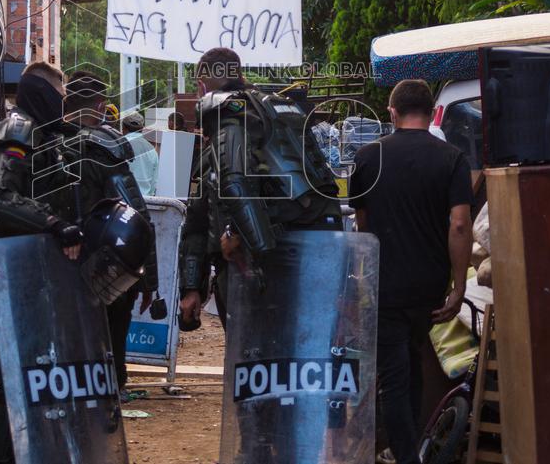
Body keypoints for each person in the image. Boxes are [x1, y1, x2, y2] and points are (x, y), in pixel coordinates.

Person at [348, 78, 473, 464]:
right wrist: (458, 285)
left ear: (392, 112)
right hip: (430, 287)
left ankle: (406, 457)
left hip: (385, 284)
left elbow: (362, 224)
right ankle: (411, 450)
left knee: (396, 378)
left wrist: (363, 276)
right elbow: (459, 224)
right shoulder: (452, 158)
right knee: (413, 360)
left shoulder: (368, 157)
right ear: (430, 110)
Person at [178, 47, 341, 330]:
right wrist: (193, 285)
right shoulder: (282, 111)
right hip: (311, 252)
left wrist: (244, 244)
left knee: (254, 357)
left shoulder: (228, 113)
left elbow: (233, 185)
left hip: (253, 268)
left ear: (203, 84)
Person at [0, 61, 82, 464]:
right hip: (16, 264)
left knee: (38, 366)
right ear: (43, 93)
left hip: (35, 264)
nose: (63, 103)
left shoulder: (41, 133)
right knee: (17, 370)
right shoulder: (18, 130)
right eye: (60, 94)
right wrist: (54, 223)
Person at [62, 71, 158, 397]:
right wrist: (148, 280)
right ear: (101, 105)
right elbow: (136, 214)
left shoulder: (41, 141)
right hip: (106, 263)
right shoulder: (103, 146)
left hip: (58, 261)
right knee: (110, 343)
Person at [121, 112, 159, 197]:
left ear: (124, 128)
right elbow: (154, 183)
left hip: (123, 201)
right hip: (145, 202)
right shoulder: (152, 151)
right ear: (142, 129)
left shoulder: (118, 146)